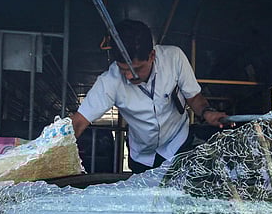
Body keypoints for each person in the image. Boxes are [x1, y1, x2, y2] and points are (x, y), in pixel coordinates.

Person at [70, 19, 228, 173]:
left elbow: (193, 97)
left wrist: (207, 112)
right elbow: (79, 122)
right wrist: (58, 150)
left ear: (152, 55)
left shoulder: (174, 58)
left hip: (178, 143)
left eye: (137, 69)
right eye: (123, 70)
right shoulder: (109, 82)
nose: (129, 76)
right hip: (142, 156)